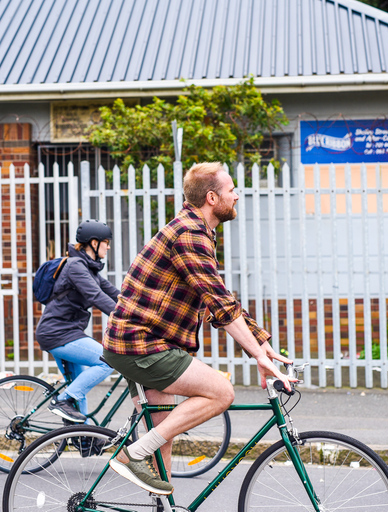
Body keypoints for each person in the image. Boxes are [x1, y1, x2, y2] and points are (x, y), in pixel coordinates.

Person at [102, 162, 294, 495]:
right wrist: (257, 356)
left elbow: (216, 300)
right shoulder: (189, 234)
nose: (237, 196)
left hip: (147, 343)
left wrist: (261, 345)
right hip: (142, 346)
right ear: (211, 197)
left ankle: (159, 497)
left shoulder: (196, 230)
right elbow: (219, 302)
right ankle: (130, 454)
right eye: (231, 190)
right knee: (221, 392)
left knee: (162, 449)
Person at [35, 220, 119, 423]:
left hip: (67, 332)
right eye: (105, 242)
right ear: (93, 243)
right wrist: (123, 319)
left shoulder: (90, 270)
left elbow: (116, 294)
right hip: (58, 333)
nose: (108, 247)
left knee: (77, 390)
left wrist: (143, 311)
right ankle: (62, 400)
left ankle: (84, 438)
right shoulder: (76, 266)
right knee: (108, 360)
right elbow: (96, 297)